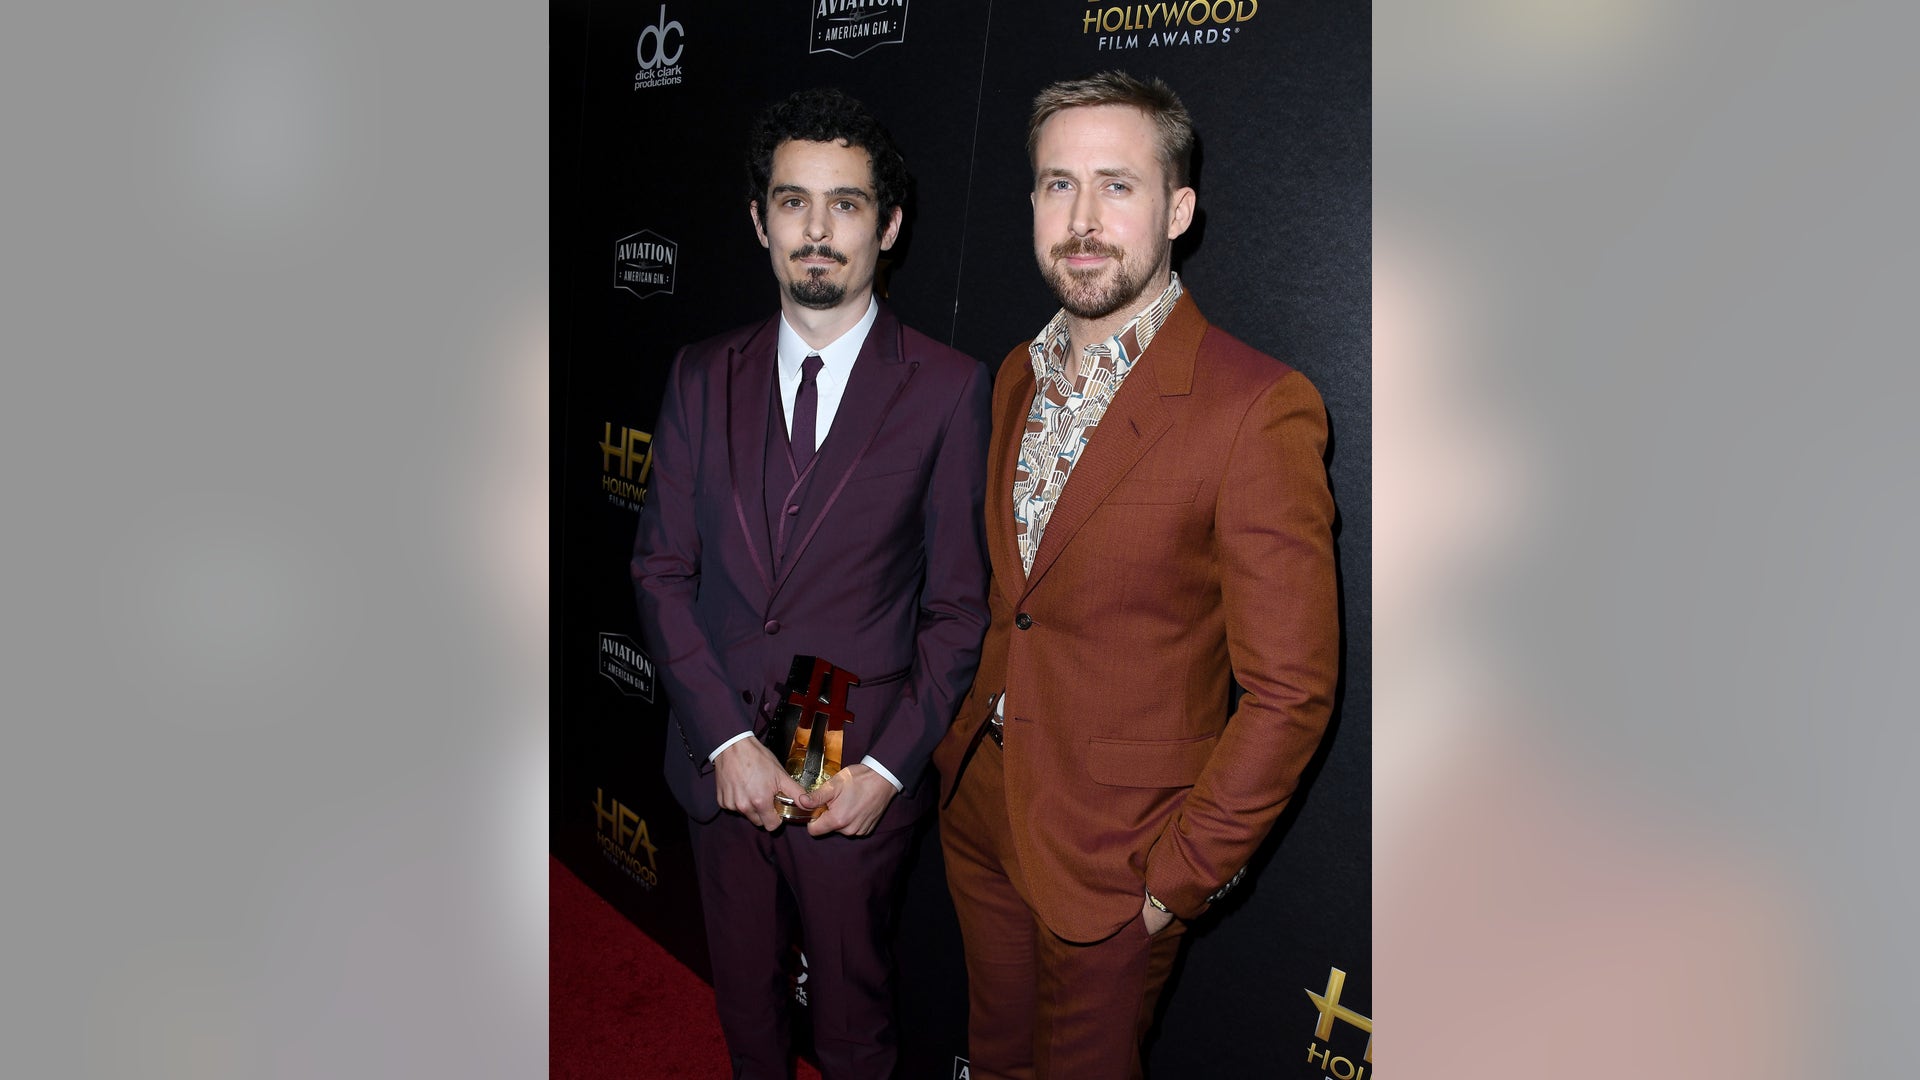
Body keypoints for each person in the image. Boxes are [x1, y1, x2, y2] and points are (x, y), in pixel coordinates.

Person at [933, 71, 1342, 1079]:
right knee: (992, 1060)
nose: (1081, 218)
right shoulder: (1016, 373)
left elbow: (1291, 691)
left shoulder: (1257, 408)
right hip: (981, 805)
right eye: (1057, 184)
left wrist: (1176, 880)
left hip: (1119, 858)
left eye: (1116, 185)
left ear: (1179, 209)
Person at [632, 87, 992, 1080]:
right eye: (793, 202)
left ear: (890, 225)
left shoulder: (949, 388)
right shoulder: (701, 374)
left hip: (853, 780)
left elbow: (957, 608)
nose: (819, 230)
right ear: (760, 222)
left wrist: (887, 771)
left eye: (846, 203)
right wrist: (725, 739)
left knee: (852, 1023)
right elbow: (661, 569)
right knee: (746, 1010)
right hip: (721, 766)